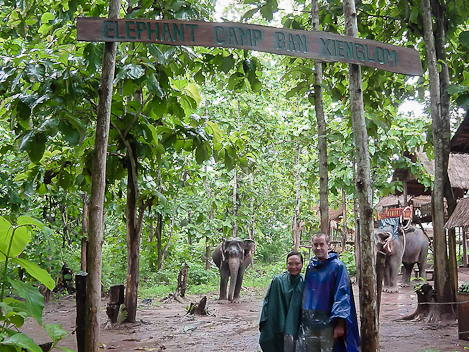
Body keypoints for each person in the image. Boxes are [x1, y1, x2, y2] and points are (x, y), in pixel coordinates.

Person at [297, 232, 359, 352]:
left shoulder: (337, 267)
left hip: (329, 322)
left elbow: (342, 295)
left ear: (328, 245)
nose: (318, 248)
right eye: (315, 245)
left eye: (321, 244)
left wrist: (340, 324)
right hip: (310, 321)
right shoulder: (311, 267)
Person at [259, 251, 305, 352]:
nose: (294, 267)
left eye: (297, 263)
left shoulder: (305, 282)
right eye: (290, 264)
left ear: (302, 264)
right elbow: (271, 306)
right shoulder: (278, 281)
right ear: (286, 264)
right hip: (280, 328)